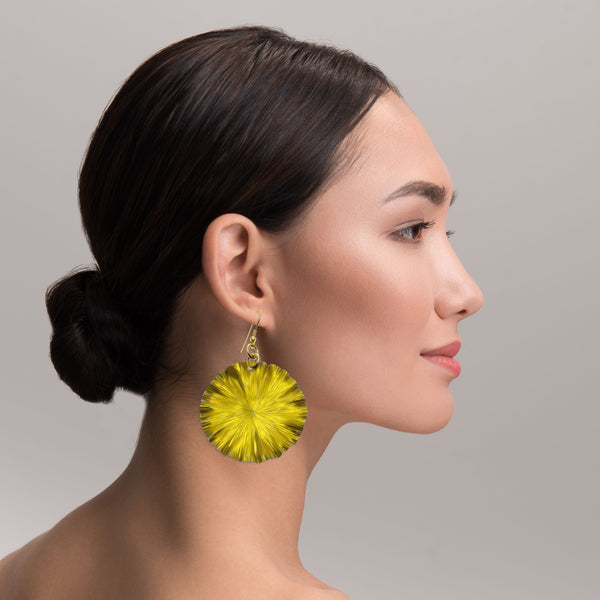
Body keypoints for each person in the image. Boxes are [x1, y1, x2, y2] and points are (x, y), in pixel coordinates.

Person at [0, 24, 484, 599]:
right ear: (245, 274)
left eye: (443, 229)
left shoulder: (21, 575)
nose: (466, 293)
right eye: (410, 229)